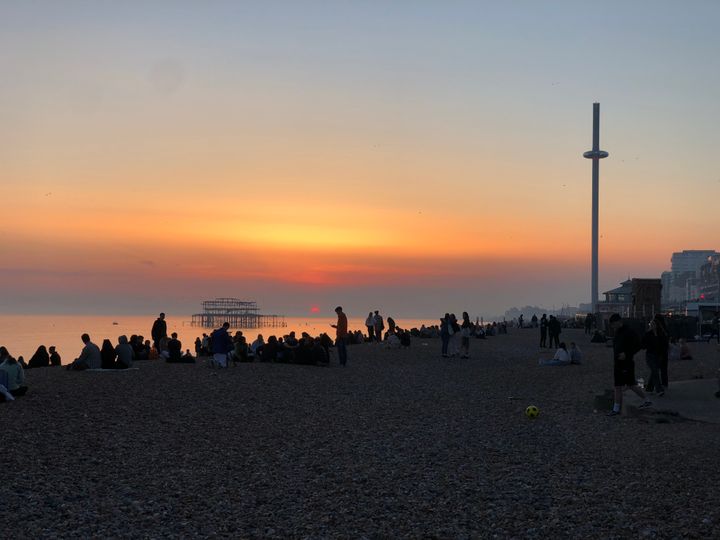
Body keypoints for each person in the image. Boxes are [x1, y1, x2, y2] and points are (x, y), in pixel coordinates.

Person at [608, 313, 651, 416]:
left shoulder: (629, 332)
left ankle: (647, 399)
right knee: (617, 386)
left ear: (618, 322)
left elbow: (639, 345)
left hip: (627, 363)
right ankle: (616, 409)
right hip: (617, 363)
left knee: (631, 384)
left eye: (613, 324)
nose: (612, 327)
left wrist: (626, 354)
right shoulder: (617, 332)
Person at [642, 316, 668, 396]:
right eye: (651, 324)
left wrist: (663, 355)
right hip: (650, 355)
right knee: (655, 371)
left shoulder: (661, 334)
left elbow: (664, 345)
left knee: (654, 372)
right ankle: (659, 390)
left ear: (656, 325)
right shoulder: (648, 334)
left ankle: (649, 388)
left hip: (658, 356)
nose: (652, 325)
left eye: (653, 324)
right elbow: (643, 345)